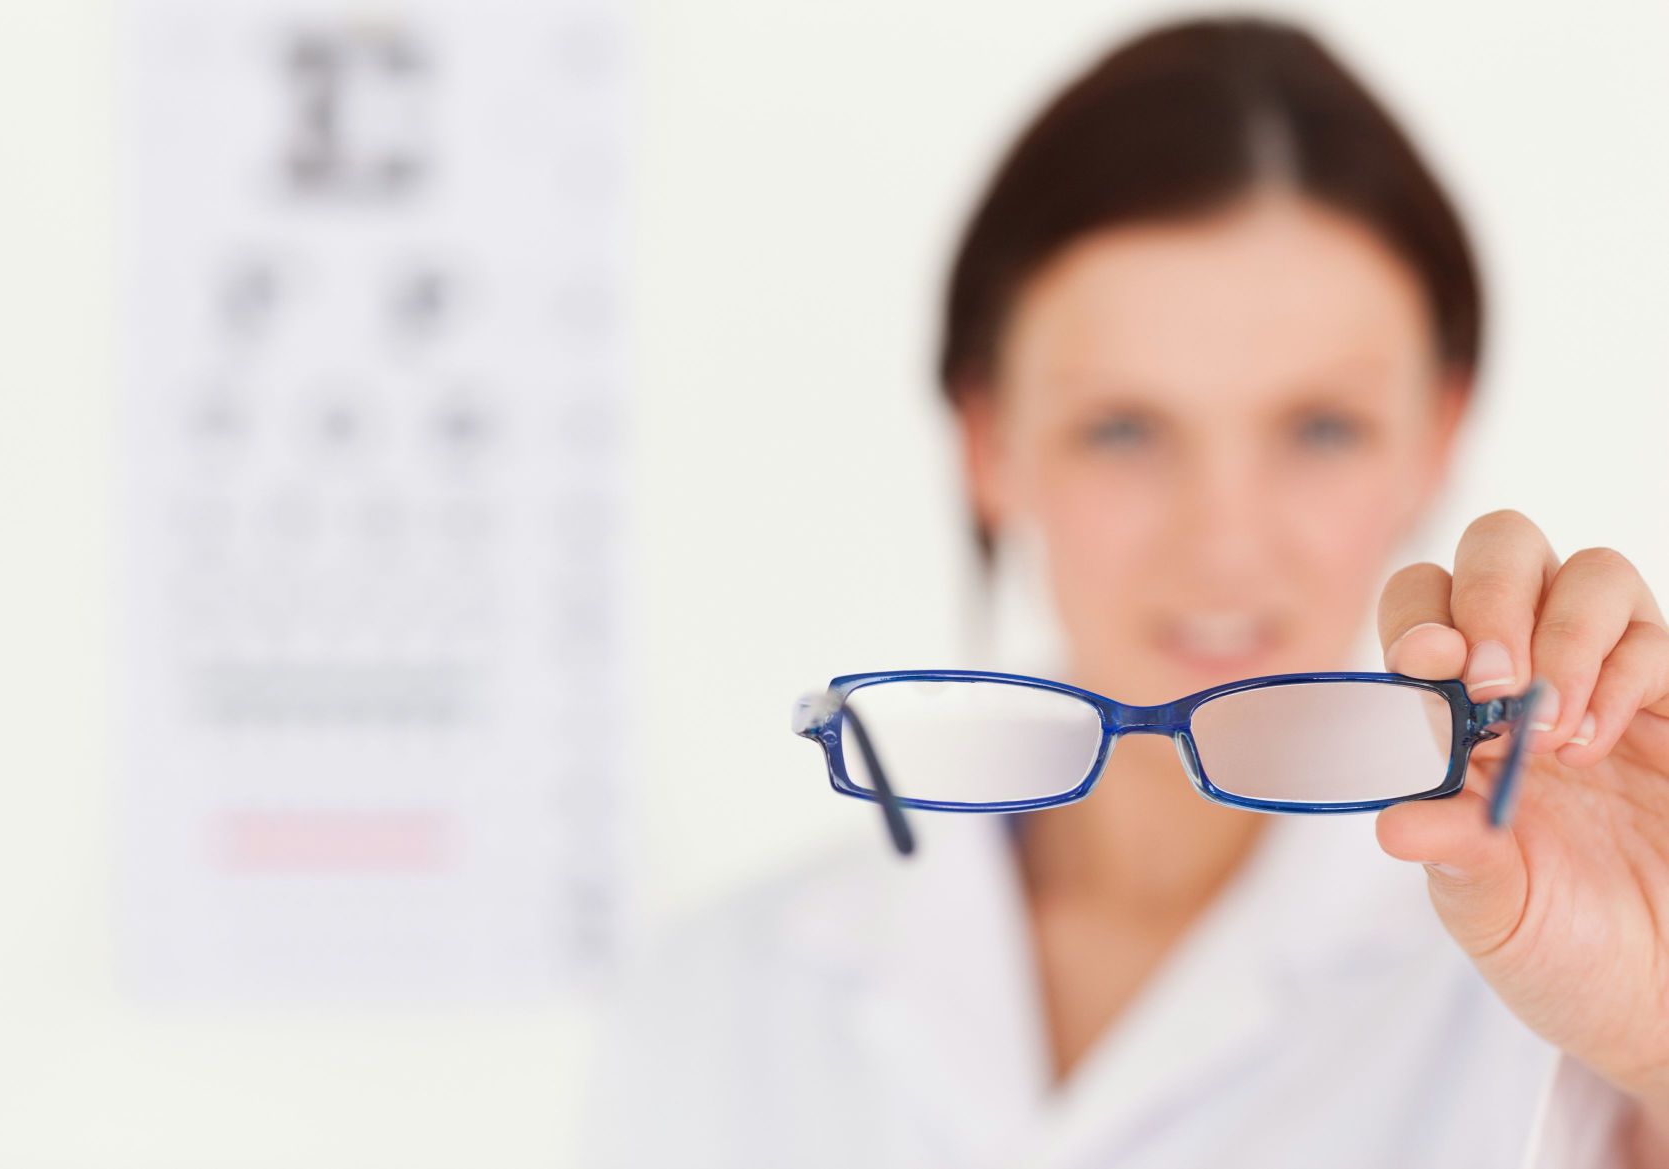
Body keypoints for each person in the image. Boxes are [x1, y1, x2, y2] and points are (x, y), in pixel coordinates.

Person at [583, 16, 1669, 1168]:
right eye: (1120, 429)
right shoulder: (716, 999)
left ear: (1433, 435)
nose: (1221, 541)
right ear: (987, 439)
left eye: (1319, 427)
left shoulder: (1563, 978)